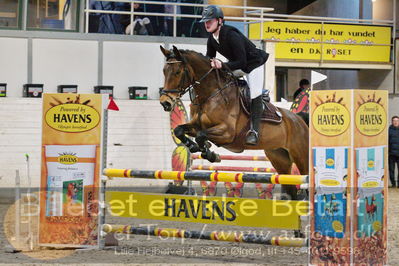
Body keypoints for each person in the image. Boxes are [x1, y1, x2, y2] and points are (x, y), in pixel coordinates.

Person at [200, 5, 269, 145]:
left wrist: (222, 65)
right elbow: (209, 59)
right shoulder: (212, 39)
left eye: (210, 21)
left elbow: (242, 61)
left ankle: (254, 131)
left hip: (253, 63)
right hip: (239, 65)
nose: (207, 24)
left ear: (220, 21)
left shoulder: (231, 35)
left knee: (254, 93)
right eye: (205, 21)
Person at [389, 116, 399, 188]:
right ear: (392, 122)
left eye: (397, 121)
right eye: (394, 121)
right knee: (391, 170)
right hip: (391, 154)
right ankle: (393, 184)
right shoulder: (389, 130)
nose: (395, 122)